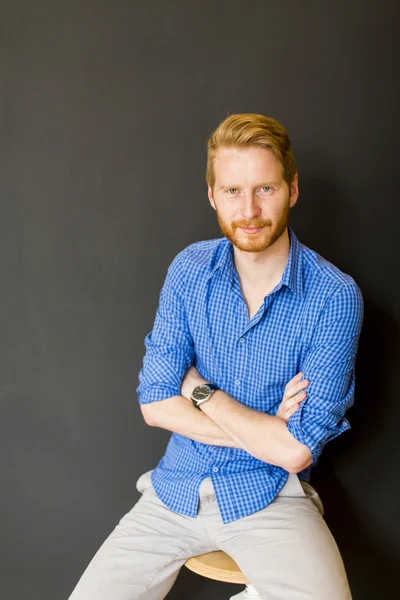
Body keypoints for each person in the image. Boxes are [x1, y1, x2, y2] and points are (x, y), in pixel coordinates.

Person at [68, 113, 364, 600]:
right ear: (212, 196)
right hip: (172, 493)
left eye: (264, 189)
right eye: (232, 192)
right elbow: (154, 406)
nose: (248, 209)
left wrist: (197, 389)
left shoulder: (334, 296)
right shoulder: (190, 270)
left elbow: (294, 452)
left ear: (292, 189)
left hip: (271, 497)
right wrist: (267, 427)